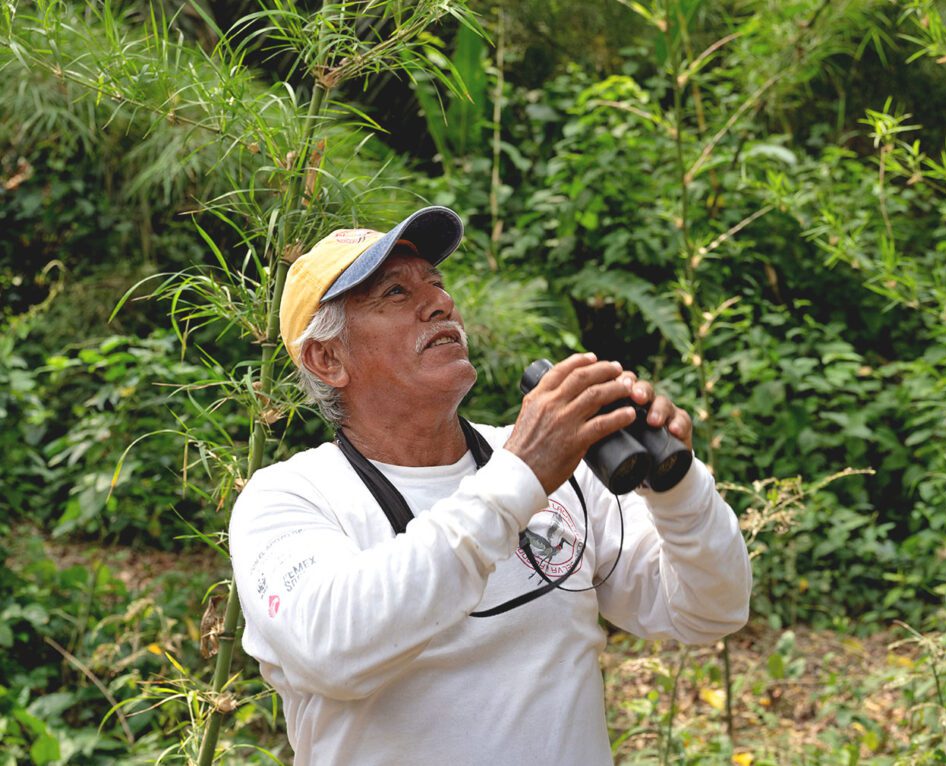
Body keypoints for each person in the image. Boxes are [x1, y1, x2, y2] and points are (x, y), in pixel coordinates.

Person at [228, 206, 752, 765]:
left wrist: (677, 486)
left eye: (437, 283)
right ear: (327, 357)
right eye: (395, 294)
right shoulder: (289, 497)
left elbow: (709, 611)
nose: (439, 303)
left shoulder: (557, 467)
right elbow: (333, 648)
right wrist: (520, 477)